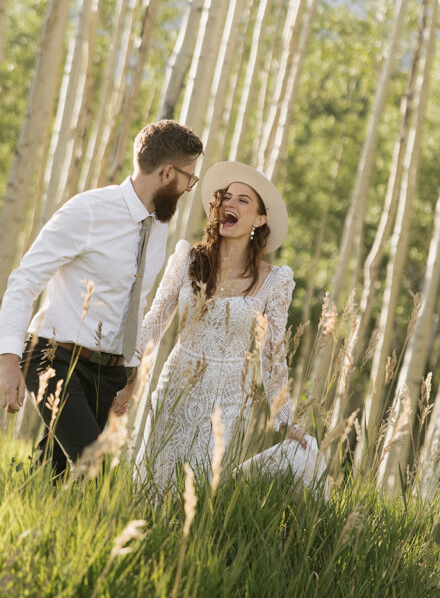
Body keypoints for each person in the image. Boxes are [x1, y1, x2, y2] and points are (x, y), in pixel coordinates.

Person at [0, 120, 203, 476]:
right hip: (52, 358)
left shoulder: (159, 228)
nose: (188, 188)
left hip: (109, 372)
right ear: (168, 173)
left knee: (54, 477)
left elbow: (134, 303)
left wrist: (131, 369)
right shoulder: (88, 211)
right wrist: (7, 363)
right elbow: (24, 281)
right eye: (189, 178)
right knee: (98, 472)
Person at [133, 160, 327, 495]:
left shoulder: (274, 282)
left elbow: (273, 357)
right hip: (176, 385)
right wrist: (125, 374)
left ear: (259, 219)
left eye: (242, 200)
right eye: (226, 197)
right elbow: (154, 321)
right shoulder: (188, 259)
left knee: (195, 493)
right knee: (152, 488)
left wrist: (285, 420)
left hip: (226, 398)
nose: (229, 204)